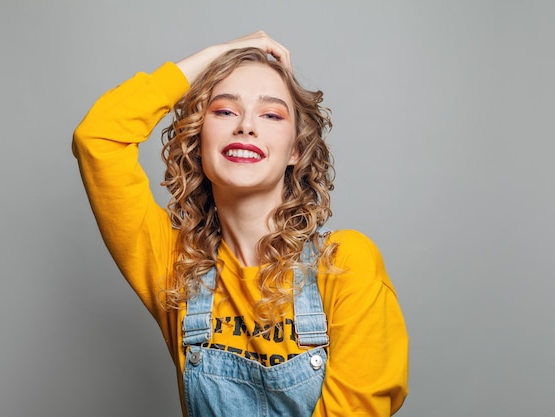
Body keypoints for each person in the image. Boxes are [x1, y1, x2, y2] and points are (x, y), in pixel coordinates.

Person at [73, 31, 408, 417]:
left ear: (296, 150)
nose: (246, 126)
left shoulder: (345, 263)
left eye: (271, 115)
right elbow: (97, 137)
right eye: (225, 111)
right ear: (198, 139)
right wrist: (219, 54)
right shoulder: (173, 266)